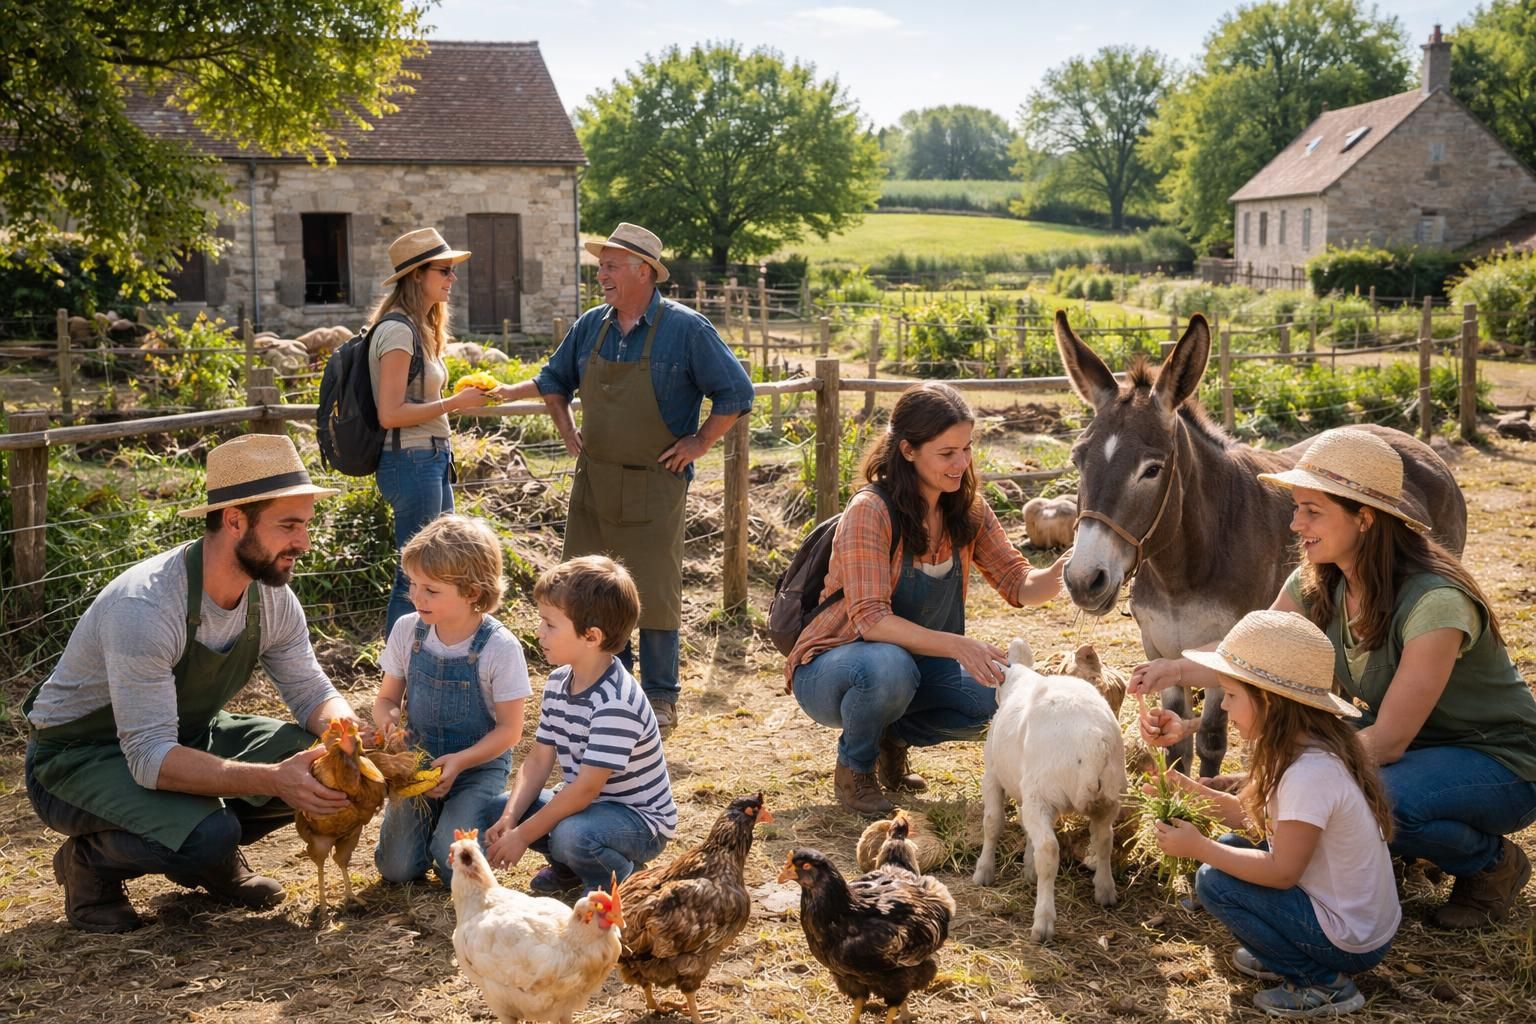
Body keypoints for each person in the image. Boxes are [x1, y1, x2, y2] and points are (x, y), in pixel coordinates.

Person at [1134, 427, 1536, 929]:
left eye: (1312, 510)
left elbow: (1387, 740)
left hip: (1495, 759)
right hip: (1413, 750)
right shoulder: (1319, 582)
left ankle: (1492, 865)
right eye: (1296, 507)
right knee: (1307, 792)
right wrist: (1174, 668)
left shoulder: (1435, 604)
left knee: (1374, 800)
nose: (1295, 523)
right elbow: (1246, 652)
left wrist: (1268, 785)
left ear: (1364, 518)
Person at [23, 434, 363, 932]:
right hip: (76, 762)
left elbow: (311, 690)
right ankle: (92, 865)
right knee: (212, 830)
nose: (304, 542)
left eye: (305, 525)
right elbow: (148, 757)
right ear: (234, 520)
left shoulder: (268, 598)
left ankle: (207, 856)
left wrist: (346, 733)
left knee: (322, 763)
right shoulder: (145, 608)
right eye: (289, 525)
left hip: (182, 738)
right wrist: (271, 778)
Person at [499, 223, 755, 736]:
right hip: (594, 482)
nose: (602, 275)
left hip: (657, 480)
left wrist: (699, 443)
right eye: (601, 266)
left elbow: (736, 392)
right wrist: (566, 426)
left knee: (654, 590)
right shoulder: (592, 324)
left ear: (644, 271)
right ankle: (608, 686)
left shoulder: (687, 329)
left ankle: (660, 697)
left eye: (611, 266)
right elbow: (553, 379)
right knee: (587, 588)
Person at [784, 381, 1069, 815]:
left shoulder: (966, 508)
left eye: (967, 449)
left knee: (1002, 696)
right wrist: (960, 645)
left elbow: (1017, 581)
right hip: (837, 667)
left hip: (917, 667)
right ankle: (855, 769)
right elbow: (871, 621)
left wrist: (1067, 571)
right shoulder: (871, 511)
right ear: (908, 450)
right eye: (947, 453)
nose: (962, 463)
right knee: (887, 666)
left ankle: (890, 739)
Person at [1151, 609, 1399, 1017]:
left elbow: (1283, 872)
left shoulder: (1308, 773)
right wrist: (1185, 788)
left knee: (1215, 880)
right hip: (1345, 916)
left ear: (1267, 700)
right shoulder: (1299, 748)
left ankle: (1322, 983)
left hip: (1351, 938)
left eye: (1231, 696)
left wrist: (1199, 848)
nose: (1225, 709)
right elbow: (1250, 821)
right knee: (1232, 848)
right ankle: (1288, 949)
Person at [484, 555, 676, 894]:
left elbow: (585, 788)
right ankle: (570, 870)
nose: (539, 632)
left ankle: (619, 881)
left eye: (550, 624)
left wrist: (523, 835)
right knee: (499, 807)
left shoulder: (615, 701)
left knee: (570, 836)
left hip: (639, 821)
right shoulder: (559, 681)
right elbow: (539, 759)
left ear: (591, 636)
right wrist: (511, 819)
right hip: (588, 808)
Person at [367, 227, 523, 638]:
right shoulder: (399, 331)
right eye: (445, 271)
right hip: (411, 459)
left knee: (436, 571)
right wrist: (457, 404)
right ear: (418, 275)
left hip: (429, 457)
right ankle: (399, 676)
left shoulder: (417, 328)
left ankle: (425, 662)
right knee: (416, 578)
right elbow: (390, 413)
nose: (453, 279)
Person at [372, 514, 529, 885]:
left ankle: (484, 812)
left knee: (452, 869)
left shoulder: (500, 647)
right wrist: (389, 725)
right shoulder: (408, 630)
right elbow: (386, 699)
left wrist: (460, 762)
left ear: (472, 592)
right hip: (419, 765)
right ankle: (442, 822)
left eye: (431, 590)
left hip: (476, 768)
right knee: (396, 870)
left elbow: (510, 731)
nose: (415, 596)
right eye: (413, 584)